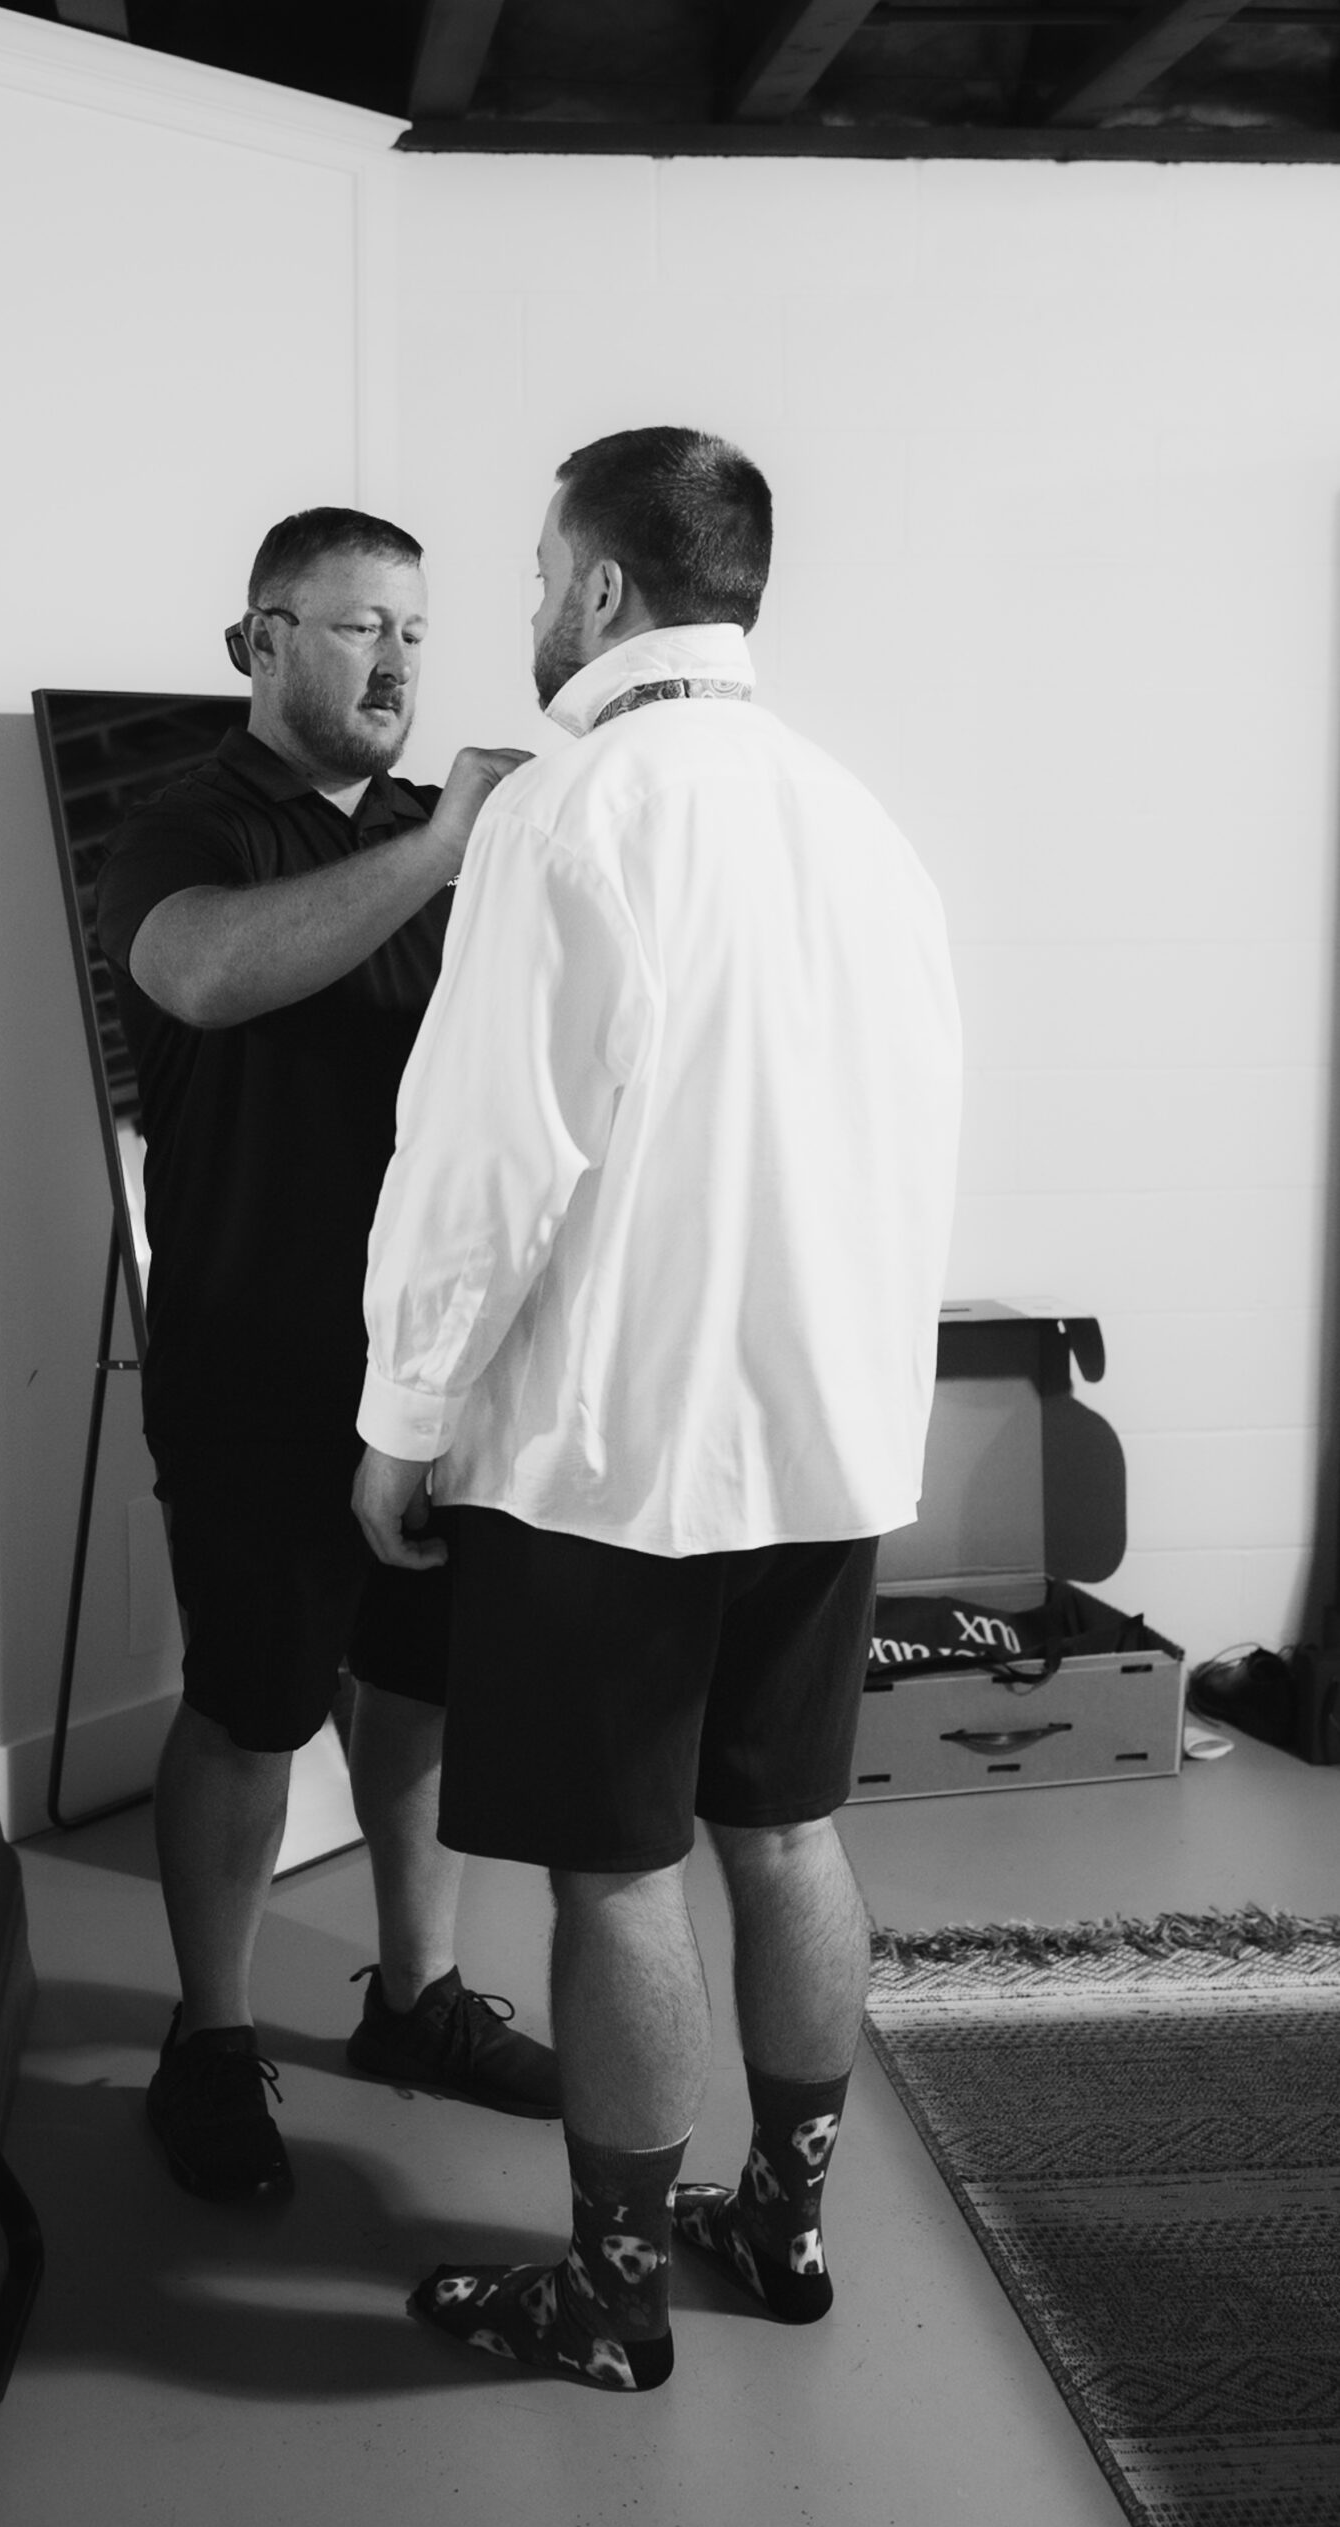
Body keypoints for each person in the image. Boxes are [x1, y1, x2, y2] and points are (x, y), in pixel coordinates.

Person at [352, 428, 962, 2389]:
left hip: (612, 1458)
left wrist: (402, 1412)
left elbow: (484, 1160)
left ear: (604, 587)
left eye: (541, 576)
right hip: (822, 1441)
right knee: (784, 1834)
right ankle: (780, 2218)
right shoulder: (860, 824)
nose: (531, 611)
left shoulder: (569, 815)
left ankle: (613, 2294)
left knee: (613, 1870)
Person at [93, 506, 556, 2203]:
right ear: (260, 642)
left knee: (417, 1682)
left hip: (424, 1367)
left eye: (417, 633)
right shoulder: (187, 824)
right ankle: (212, 2039)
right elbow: (202, 974)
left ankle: (416, 1998)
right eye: (360, 627)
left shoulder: (448, 842)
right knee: (252, 1704)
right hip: (254, 1355)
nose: (396, 664)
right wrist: (440, 851)